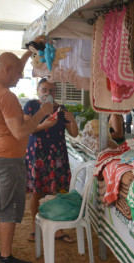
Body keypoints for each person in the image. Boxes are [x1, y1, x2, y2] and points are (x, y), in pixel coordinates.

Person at [0, 50, 54, 263]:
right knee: (9, 208)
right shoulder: (6, 96)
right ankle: (6, 257)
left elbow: (12, 64)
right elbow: (20, 132)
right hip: (7, 160)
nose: (20, 77)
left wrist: (29, 52)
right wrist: (42, 112)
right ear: (7, 70)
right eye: (18, 73)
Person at [24, 78, 79, 243]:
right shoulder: (31, 106)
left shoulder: (61, 109)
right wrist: (44, 126)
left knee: (58, 192)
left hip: (58, 156)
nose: (48, 93)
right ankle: (35, 228)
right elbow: (24, 129)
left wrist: (72, 119)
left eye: (52, 90)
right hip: (37, 156)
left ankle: (57, 229)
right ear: (38, 90)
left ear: (56, 92)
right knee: (37, 192)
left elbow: (74, 133)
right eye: (44, 89)